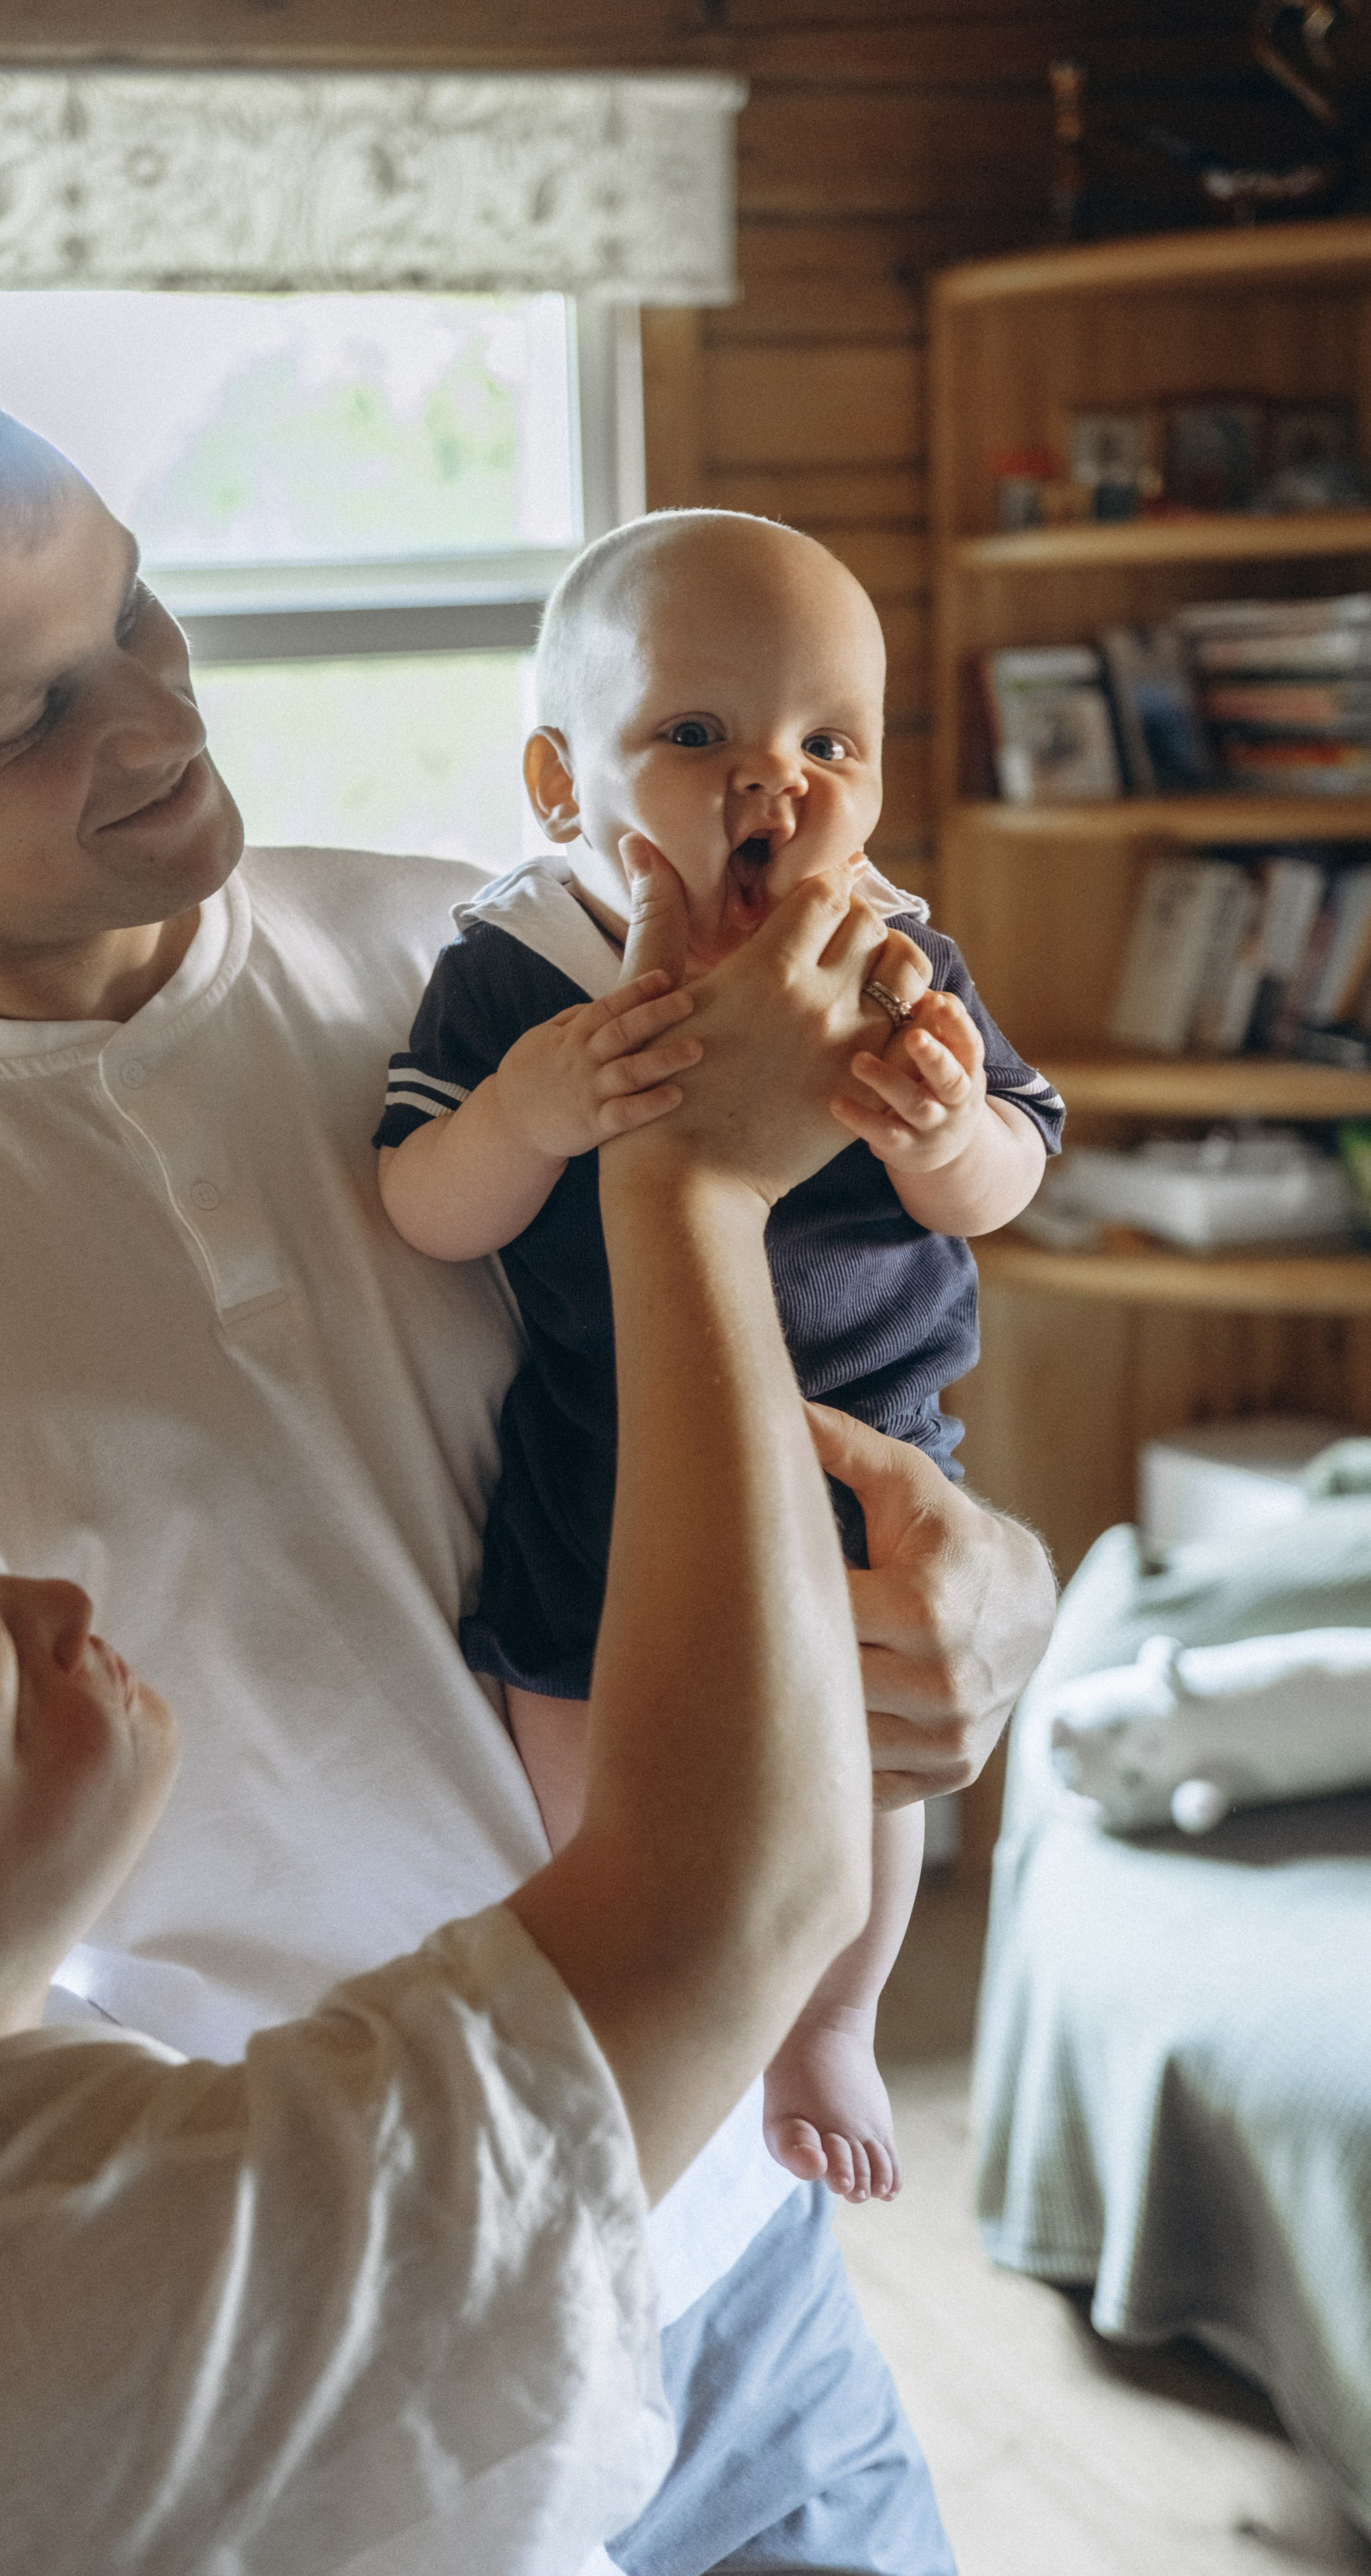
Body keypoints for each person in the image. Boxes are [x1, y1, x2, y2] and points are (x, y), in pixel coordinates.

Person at [0, 335, 1055, 2576]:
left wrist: (996, 1602)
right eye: (24, 713)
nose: (159, 715)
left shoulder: (509, 965)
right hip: (320, 2403)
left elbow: (866, 1340)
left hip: (751, 2286)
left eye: (134, 605)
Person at [0, 881, 880, 2576]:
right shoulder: (87, 2283)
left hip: (748, 2256)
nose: (64, 1601)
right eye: (0, 1668)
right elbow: (727, 1902)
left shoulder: (466, 953)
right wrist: (692, 1183)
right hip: (544, 2196)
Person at [376, 510, 1066, 2204]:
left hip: (857, 1451)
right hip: (603, 1454)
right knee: (585, 1727)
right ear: (563, 786)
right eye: (697, 735)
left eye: (825, 742)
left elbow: (1013, 1175)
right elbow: (421, 1206)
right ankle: (648, 1981)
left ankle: (831, 2011)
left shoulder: (883, 958)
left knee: (869, 1746)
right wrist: (531, 1110)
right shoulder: (518, 968)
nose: (775, 784)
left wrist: (944, 1132)